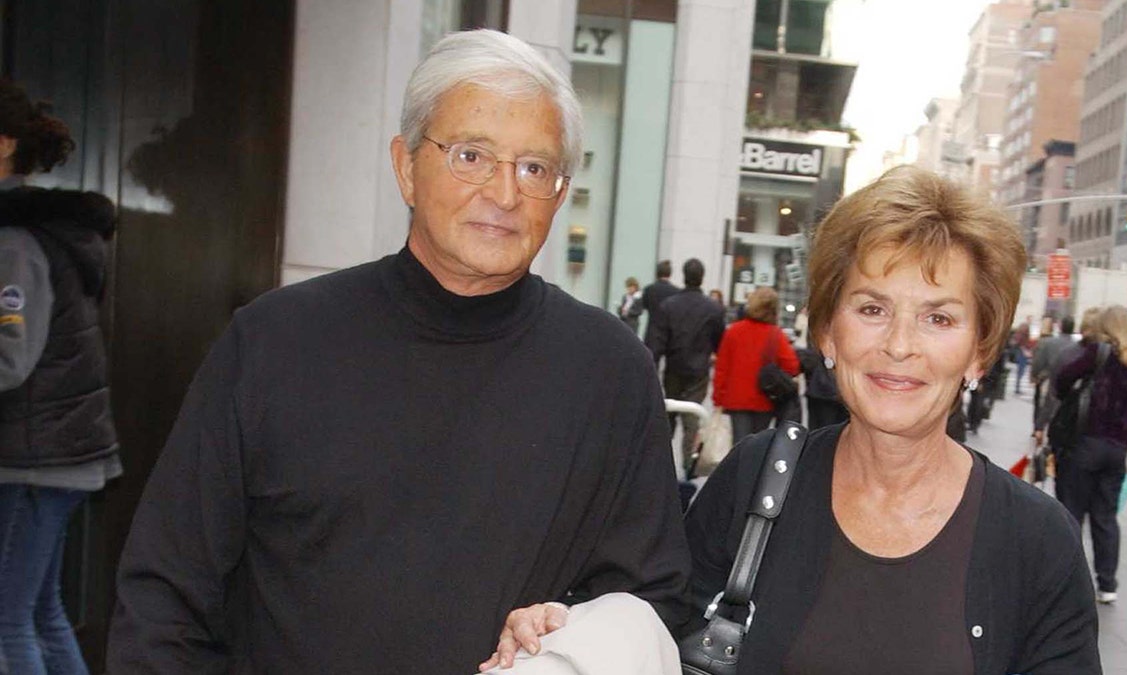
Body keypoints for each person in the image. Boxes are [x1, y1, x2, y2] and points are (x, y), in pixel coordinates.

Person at [107, 30, 690, 674]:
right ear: (406, 166)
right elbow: (165, 596)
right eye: (471, 155)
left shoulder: (608, 370)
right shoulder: (276, 342)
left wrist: (572, 623)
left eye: (535, 168)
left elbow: (649, 598)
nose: (504, 194)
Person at [685, 166, 1100, 673]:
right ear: (827, 332)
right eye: (872, 309)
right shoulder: (750, 481)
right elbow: (661, 636)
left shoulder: (1037, 540)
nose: (899, 346)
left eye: (938, 318)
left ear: (979, 352)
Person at [0, 79, 119, 675]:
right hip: (52, 451)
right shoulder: (36, 228)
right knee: (40, 611)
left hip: (31, 457)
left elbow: (11, 359)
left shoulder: (15, 239)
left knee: (7, 625)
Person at [1054, 305, 1127, 605]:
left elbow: (1063, 379)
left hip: (1086, 445)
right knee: (1106, 517)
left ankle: (1068, 582)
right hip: (1117, 450)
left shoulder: (1098, 353)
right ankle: (1107, 584)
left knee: (1072, 513)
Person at [645, 258, 724, 458]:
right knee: (692, 419)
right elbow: (719, 340)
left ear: (683, 275)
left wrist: (651, 367)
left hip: (674, 367)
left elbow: (656, 342)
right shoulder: (713, 308)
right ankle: (689, 463)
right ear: (702, 277)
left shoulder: (669, 306)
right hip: (699, 369)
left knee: (668, 414)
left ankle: (660, 458)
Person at [712, 286, 800, 444]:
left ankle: (740, 468)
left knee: (739, 444)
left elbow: (722, 368)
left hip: (736, 398)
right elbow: (792, 366)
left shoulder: (733, 331)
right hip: (764, 399)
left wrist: (718, 398)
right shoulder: (776, 335)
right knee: (758, 445)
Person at [1030, 314, 1075, 427]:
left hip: (1046, 378)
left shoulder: (1048, 342)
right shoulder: (1076, 346)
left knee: (1041, 403)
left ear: (1060, 326)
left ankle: (1038, 426)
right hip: (1066, 381)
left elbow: (1039, 360)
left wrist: (1034, 375)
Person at [640, 259, 678, 332]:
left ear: (657, 273)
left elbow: (644, 306)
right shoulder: (676, 291)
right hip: (669, 332)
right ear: (670, 274)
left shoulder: (648, 289)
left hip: (652, 330)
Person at [1011, 317, 1033, 394]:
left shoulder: (1021, 329)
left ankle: (1017, 387)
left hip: (1020, 351)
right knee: (1021, 371)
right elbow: (1022, 342)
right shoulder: (1025, 328)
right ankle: (1017, 388)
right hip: (1022, 352)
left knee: (1020, 371)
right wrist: (1025, 350)